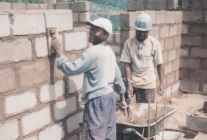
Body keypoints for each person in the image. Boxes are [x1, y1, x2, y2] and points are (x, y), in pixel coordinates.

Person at [51, 18, 127, 140]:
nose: (91, 32)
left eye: (96, 30)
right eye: (91, 29)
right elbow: (117, 78)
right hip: (110, 98)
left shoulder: (92, 52)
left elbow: (71, 69)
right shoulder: (109, 51)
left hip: (97, 101)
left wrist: (59, 52)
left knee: (94, 136)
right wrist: (122, 98)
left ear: (105, 35)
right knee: (108, 136)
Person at [120, 13, 164, 103]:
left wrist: (161, 84)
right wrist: (128, 85)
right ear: (135, 29)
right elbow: (127, 65)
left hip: (148, 84)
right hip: (132, 82)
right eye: (139, 31)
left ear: (149, 30)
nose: (141, 34)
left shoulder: (154, 43)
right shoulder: (129, 43)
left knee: (147, 112)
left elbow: (160, 65)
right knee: (126, 108)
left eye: (144, 31)